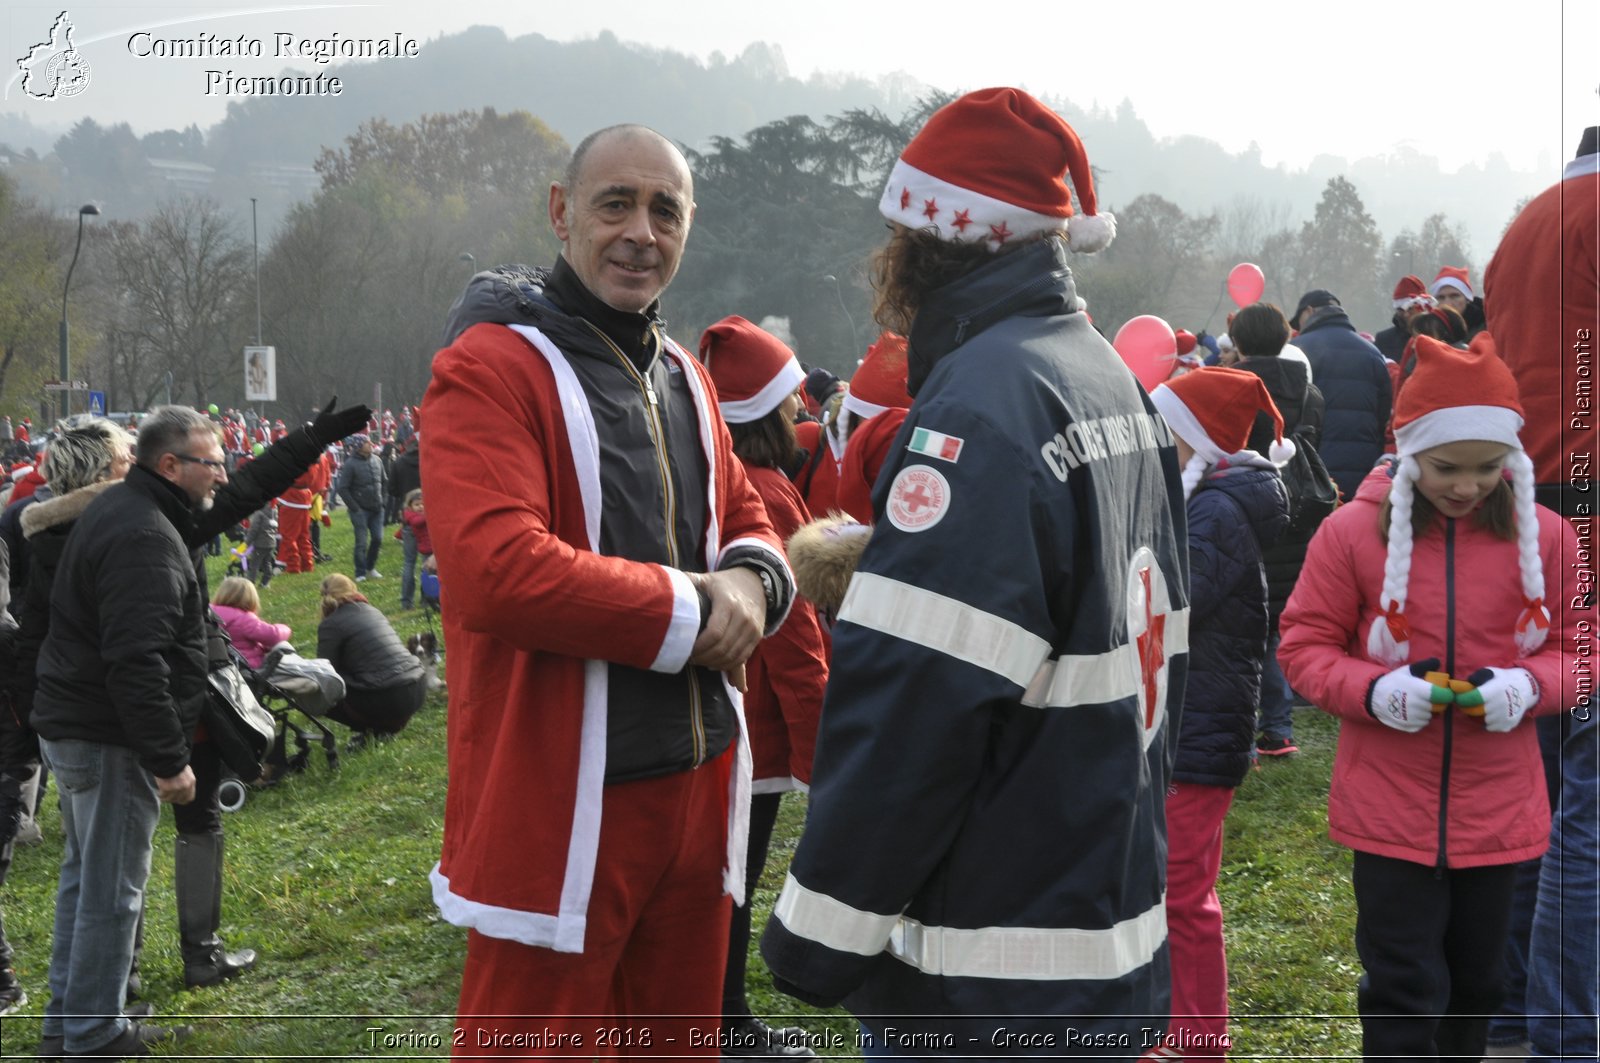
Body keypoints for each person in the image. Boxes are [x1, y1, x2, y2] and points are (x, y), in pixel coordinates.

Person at [759, 88, 1189, 1049]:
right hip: (1104, 921)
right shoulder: (1109, 377)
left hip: (988, 967)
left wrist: (815, 934)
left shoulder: (980, 409)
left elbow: (918, 699)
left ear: (917, 245)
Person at [421, 122, 795, 1056]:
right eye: (614, 203)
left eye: (664, 210)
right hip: (563, 794)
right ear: (561, 212)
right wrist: (699, 609)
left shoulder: (689, 379)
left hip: (701, 784)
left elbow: (751, 517)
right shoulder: (488, 368)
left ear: (688, 229)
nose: (640, 231)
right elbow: (497, 569)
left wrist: (753, 580)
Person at [1277, 336, 1584, 1060]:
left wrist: (1527, 685)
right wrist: (1375, 689)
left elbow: (1582, 649)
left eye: (1488, 468)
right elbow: (1303, 646)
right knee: (1401, 983)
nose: (1467, 485)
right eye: (1447, 467)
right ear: (1410, 454)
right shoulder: (1351, 533)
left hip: (1498, 812)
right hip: (1388, 810)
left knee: (1479, 982)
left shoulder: (1548, 536)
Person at [30, 407, 226, 1058]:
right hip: (105, 734)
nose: (223, 473)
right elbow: (135, 659)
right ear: (169, 464)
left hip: (79, 724)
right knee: (112, 893)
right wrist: (171, 759)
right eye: (211, 461)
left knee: (86, 883)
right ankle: (95, 1032)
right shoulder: (142, 530)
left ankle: (68, 1025)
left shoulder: (125, 509)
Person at [1482, 123, 1599, 1063]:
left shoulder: (1525, 223)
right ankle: (1565, 1030)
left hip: (1535, 512)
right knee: (1588, 806)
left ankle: (1521, 1012)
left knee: (1546, 787)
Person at [1146, 367, 1290, 1059]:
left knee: (1181, 894)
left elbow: (1176, 595)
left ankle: (1197, 1039)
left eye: (1161, 431)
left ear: (1193, 440)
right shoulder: (1202, 500)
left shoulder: (1215, 511)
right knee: (1173, 886)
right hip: (1188, 723)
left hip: (1200, 729)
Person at [700, 315, 828, 1060]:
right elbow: (796, 640)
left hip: (732, 715)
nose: (801, 414)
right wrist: (821, 751)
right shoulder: (770, 493)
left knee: (725, 878)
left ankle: (720, 1017)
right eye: (790, 403)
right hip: (763, 727)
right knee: (734, 882)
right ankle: (727, 1023)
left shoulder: (726, 478)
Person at [1230, 303, 1326, 756]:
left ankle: (1241, 731)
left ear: (1238, 342)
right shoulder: (1310, 393)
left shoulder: (1231, 388)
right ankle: (1279, 728)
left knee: (1241, 627)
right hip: (1296, 514)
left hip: (1243, 512)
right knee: (1275, 628)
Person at [1289, 289, 1392, 502]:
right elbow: (1383, 413)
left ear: (1308, 311)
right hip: (1363, 467)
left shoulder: (1296, 350)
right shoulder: (1372, 352)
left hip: (1310, 468)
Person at [315, 574, 425, 743]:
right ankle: (383, 729)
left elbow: (326, 671)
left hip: (386, 695)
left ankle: (375, 728)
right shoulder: (373, 610)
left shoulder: (330, 624)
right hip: (416, 686)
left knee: (320, 689)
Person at [211, 576, 291, 671]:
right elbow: (274, 635)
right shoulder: (244, 619)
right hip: (246, 667)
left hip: (220, 665)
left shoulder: (209, 612)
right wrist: (285, 628)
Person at [336, 435, 386, 581]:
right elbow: (343, 488)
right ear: (358, 446)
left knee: (377, 539)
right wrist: (355, 508)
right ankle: (360, 572)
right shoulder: (350, 464)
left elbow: (384, 482)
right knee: (361, 542)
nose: (370, 443)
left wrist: (383, 501)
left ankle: (370, 567)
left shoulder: (378, 460)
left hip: (377, 508)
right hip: (360, 510)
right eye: (366, 442)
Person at [396, 489, 431, 611]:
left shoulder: (409, 514)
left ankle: (425, 599)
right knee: (410, 564)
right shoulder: (411, 515)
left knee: (424, 569)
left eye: (423, 504)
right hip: (422, 544)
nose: (420, 507)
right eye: (417, 505)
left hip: (423, 543)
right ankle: (407, 601)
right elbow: (417, 521)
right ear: (410, 505)